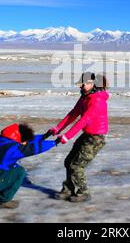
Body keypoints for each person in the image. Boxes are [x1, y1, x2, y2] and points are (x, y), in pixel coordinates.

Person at [45, 72, 109, 203]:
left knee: (76, 166)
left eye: (84, 84)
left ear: (93, 84)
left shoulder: (97, 100)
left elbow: (84, 120)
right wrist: (58, 128)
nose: (81, 86)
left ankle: (84, 192)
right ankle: (68, 190)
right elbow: (73, 114)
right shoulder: (85, 97)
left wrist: (67, 137)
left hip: (96, 138)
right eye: (81, 84)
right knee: (68, 162)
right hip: (87, 135)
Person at [0, 122, 58, 209]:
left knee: (14, 166)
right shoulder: (12, 149)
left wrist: (44, 136)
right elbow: (32, 148)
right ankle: (3, 200)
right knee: (19, 172)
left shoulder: (3, 139)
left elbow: (27, 142)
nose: (25, 143)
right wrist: (54, 143)